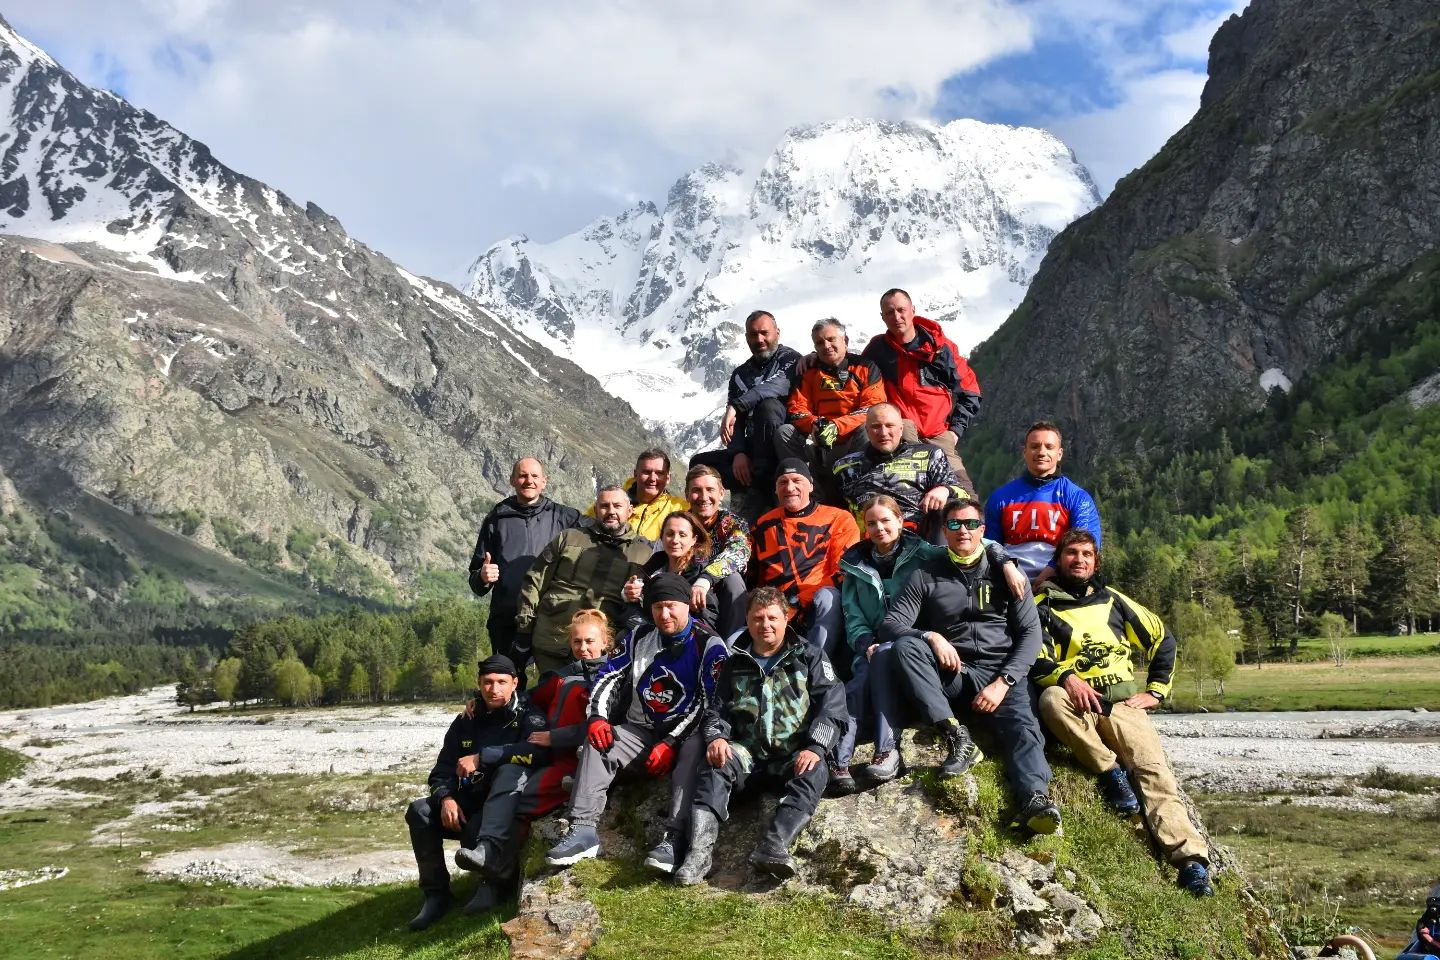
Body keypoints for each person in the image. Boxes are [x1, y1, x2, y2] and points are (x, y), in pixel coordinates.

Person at [1031, 529, 1214, 897]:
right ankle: (1110, 772)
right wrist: (1067, 678)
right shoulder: (1041, 605)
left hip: (1124, 705)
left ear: (1095, 562)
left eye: (1086, 553)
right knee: (1051, 699)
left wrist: (1156, 692)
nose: (1079, 559)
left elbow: (1162, 638)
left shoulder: (1114, 600)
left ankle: (1190, 862)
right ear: (1059, 560)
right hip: (1078, 702)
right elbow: (1035, 657)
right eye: (1071, 553)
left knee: (1154, 772)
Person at [879, 498, 1061, 834]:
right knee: (906, 646)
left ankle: (1035, 799)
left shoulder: (1008, 573)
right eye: (953, 525)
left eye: (970, 524)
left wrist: (1003, 681)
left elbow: (1031, 635)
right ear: (944, 532)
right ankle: (956, 735)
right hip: (956, 673)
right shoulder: (925, 574)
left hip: (1003, 674)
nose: (962, 530)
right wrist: (931, 635)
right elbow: (891, 624)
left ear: (983, 530)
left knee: (1024, 729)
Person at [834, 495, 1025, 792]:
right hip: (876, 644)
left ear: (900, 521)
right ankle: (839, 761)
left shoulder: (925, 554)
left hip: (918, 650)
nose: (879, 528)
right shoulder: (853, 564)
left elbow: (970, 541)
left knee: (887, 655)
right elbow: (852, 615)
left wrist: (1007, 561)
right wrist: (865, 643)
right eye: (871, 523)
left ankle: (887, 749)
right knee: (856, 686)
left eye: (886, 520)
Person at [545, 574, 728, 875]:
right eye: (657, 607)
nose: (664, 614)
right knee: (600, 740)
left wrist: (670, 742)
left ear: (686, 606)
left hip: (685, 735)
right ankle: (583, 830)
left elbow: (708, 704)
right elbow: (608, 676)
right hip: (641, 730)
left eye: (671, 606)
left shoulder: (710, 645)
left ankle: (674, 838)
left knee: (695, 749)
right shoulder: (640, 636)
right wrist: (598, 717)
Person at [673, 586, 848, 885]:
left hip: (792, 755)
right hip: (748, 756)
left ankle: (774, 846)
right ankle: (698, 855)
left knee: (815, 768)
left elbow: (832, 705)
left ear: (786, 618)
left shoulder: (809, 656)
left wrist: (816, 747)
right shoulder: (734, 660)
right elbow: (716, 710)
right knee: (715, 765)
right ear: (747, 619)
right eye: (757, 618)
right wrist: (716, 738)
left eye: (772, 618)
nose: (764, 624)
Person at [404, 655, 549, 931]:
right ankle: (436, 894)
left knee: (476, 831)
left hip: (503, 803)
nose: (494, 689)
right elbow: (441, 770)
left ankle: (495, 884)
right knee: (420, 812)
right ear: (479, 684)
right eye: (487, 682)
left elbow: (537, 753)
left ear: (515, 683)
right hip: (466, 799)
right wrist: (445, 798)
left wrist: (484, 757)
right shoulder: (466, 719)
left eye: (501, 682)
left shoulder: (530, 714)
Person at [514, 484, 654, 675]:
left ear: (629, 510)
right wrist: (524, 629)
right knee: (552, 698)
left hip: (602, 652)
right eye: (604, 506)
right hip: (551, 643)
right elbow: (534, 582)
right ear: (596, 509)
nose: (611, 511)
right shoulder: (569, 538)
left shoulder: (644, 553)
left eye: (617, 506)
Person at [860, 289, 981, 492]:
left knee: (964, 495)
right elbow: (853, 372)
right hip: (900, 434)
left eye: (901, 310)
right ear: (882, 317)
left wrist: (955, 431)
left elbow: (970, 391)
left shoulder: (941, 348)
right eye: (890, 313)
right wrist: (814, 359)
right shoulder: (877, 350)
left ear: (912, 310)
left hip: (938, 435)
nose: (897, 317)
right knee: (907, 494)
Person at [467, 457, 581, 661]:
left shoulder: (567, 517)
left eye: (534, 476)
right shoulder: (497, 518)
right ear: (512, 480)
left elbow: (602, 533)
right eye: (523, 475)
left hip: (553, 618)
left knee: (555, 682)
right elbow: (475, 580)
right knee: (508, 683)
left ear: (544, 481)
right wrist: (483, 577)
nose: (529, 480)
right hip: (507, 619)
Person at [689, 310, 801, 510]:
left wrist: (736, 405)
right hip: (751, 449)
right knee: (700, 464)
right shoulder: (740, 374)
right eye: (753, 334)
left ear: (777, 333)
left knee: (769, 406)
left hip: (781, 448)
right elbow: (735, 422)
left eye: (764, 333)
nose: (759, 339)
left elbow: (777, 386)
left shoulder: (791, 360)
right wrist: (739, 452)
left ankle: (763, 487)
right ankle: (707, 519)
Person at [750, 459, 860, 658]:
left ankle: (815, 666)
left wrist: (799, 601)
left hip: (816, 604)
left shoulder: (839, 519)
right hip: (775, 609)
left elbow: (843, 571)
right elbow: (753, 576)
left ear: (810, 485)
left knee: (829, 597)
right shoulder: (763, 524)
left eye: (796, 480)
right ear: (775, 489)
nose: (790, 487)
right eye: (783, 482)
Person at [523, 610, 615, 825]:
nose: (583, 649)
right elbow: (529, 700)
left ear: (604, 642)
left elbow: (610, 726)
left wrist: (554, 737)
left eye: (589, 641)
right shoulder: (564, 676)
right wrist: (481, 703)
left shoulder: (613, 677)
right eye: (577, 642)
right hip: (547, 757)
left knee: (521, 799)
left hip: (579, 762)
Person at [985, 420, 1102, 591]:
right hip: (1010, 582)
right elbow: (991, 544)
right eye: (1035, 446)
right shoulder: (1000, 497)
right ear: (1024, 452)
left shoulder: (1077, 497)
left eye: (1049, 447)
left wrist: (1051, 570)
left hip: (1061, 582)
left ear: (1059, 453)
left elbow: (1086, 546)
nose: (1041, 452)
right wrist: (1008, 569)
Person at [833, 403, 968, 542]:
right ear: (867, 431)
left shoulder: (929, 454)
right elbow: (833, 511)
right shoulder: (844, 466)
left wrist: (945, 490)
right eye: (876, 427)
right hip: (869, 540)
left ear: (901, 428)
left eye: (889, 425)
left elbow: (963, 494)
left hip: (919, 537)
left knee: (948, 509)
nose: (883, 433)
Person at [777, 319, 886, 471]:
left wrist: (836, 427)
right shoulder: (808, 371)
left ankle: (860, 484)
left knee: (868, 428)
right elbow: (797, 410)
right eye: (820, 343)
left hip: (853, 440)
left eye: (831, 339)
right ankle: (803, 485)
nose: (826, 346)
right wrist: (816, 424)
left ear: (845, 340)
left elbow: (873, 408)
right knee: (785, 432)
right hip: (817, 441)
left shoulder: (866, 367)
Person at [684, 465, 752, 638]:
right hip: (683, 588)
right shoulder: (679, 524)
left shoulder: (734, 524)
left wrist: (706, 579)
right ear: (686, 494)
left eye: (710, 490)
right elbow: (661, 554)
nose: (704, 497)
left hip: (721, 594)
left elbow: (739, 552)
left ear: (721, 493)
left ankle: (729, 645)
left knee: (733, 579)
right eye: (696, 490)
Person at [622, 511, 719, 631]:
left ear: (694, 539)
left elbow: (706, 622)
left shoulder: (701, 576)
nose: (675, 540)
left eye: (682, 535)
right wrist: (628, 595)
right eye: (670, 534)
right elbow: (632, 608)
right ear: (662, 537)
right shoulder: (654, 565)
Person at [586, 448, 688, 542]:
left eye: (659, 473)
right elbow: (585, 528)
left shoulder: (680, 508)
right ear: (635, 474)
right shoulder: (611, 501)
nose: (652, 478)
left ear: (668, 478)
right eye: (647, 472)